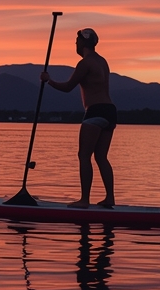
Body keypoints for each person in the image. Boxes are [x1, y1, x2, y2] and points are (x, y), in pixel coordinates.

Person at [41, 28, 116, 208]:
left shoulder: (85, 63)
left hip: (95, 111)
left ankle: (84, 200)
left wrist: (48, 80)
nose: (75, 44)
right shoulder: (103, 61)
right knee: (101, 157)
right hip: (110, 111)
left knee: (84, 155)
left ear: (83, 43)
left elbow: (68, 87)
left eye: (77, 41)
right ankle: (110, 198)